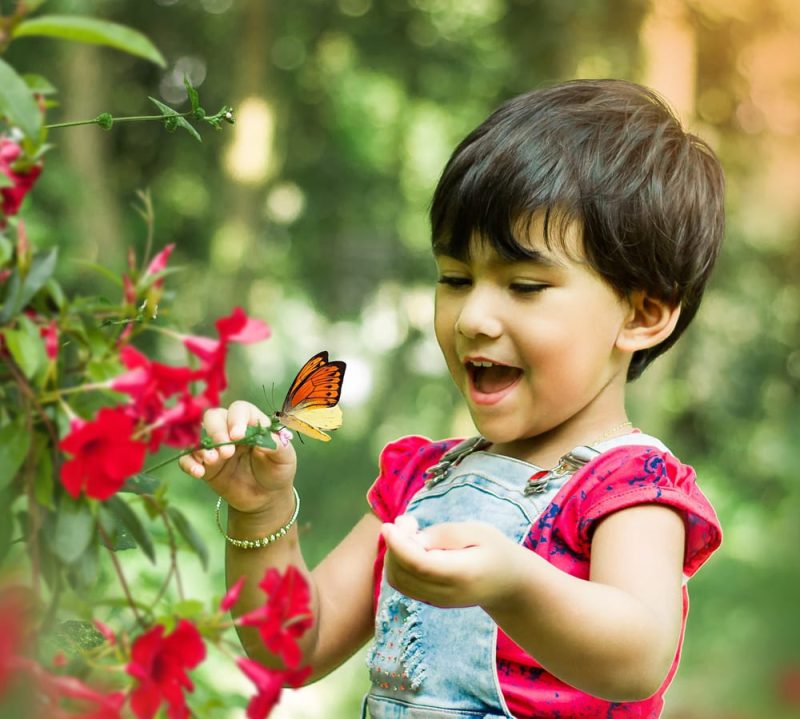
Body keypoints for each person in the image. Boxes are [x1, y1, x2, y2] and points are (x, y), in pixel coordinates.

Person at [179, 79, 724, 718]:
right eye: (455, 279)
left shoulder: (628, 487)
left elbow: (638, 657)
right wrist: (261, 512)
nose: (472, 317)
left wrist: (511, 583)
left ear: (643, 315)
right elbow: (293, 651)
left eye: (523, 285)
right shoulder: (420, 480)